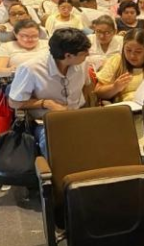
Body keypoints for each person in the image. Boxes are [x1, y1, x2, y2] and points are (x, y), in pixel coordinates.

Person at [8, 28, 92, 158]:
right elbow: (14, 102)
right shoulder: (31, 68)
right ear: (68, 55)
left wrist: (88, 109)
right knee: (58, 145)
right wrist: (46, 103)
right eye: (84, 52)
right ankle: (61, 176)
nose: (88, 54)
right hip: (47, 122)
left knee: (102, 137)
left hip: (77, 115)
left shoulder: (82, 62)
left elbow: (87, 86)